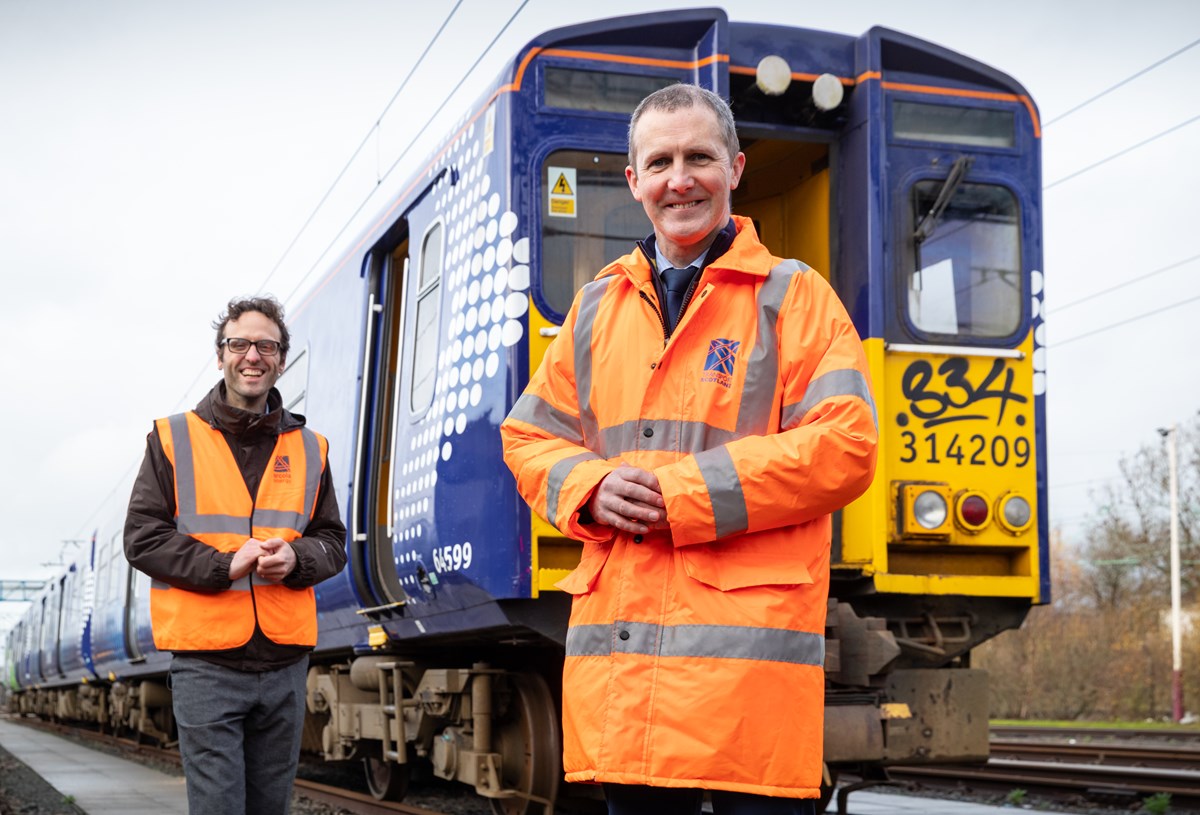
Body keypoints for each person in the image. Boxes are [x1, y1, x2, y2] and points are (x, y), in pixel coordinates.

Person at [500, 84, 878, 815]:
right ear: (633, 180)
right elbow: (527, 436)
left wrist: (682, 495)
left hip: (746, 698)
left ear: (734, 168)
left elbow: (847, 443)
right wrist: (587, 487)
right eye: (662, 160)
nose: (682, 178)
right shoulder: (594, 309)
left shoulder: (795, 296)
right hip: (627, 682)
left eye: (700, 157)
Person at [125, 295, 347, 815]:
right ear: (221, 354)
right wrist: (224, 566)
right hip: (207, 663)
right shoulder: (172, 438)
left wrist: (298, 561)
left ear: (281, 359)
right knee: (219, 806)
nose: (253, 355)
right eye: (240, 344)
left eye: (266, 345)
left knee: (271, 807)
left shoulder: (312, 448)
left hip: (285, 663)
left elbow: (332, 540)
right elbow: (142, 536)